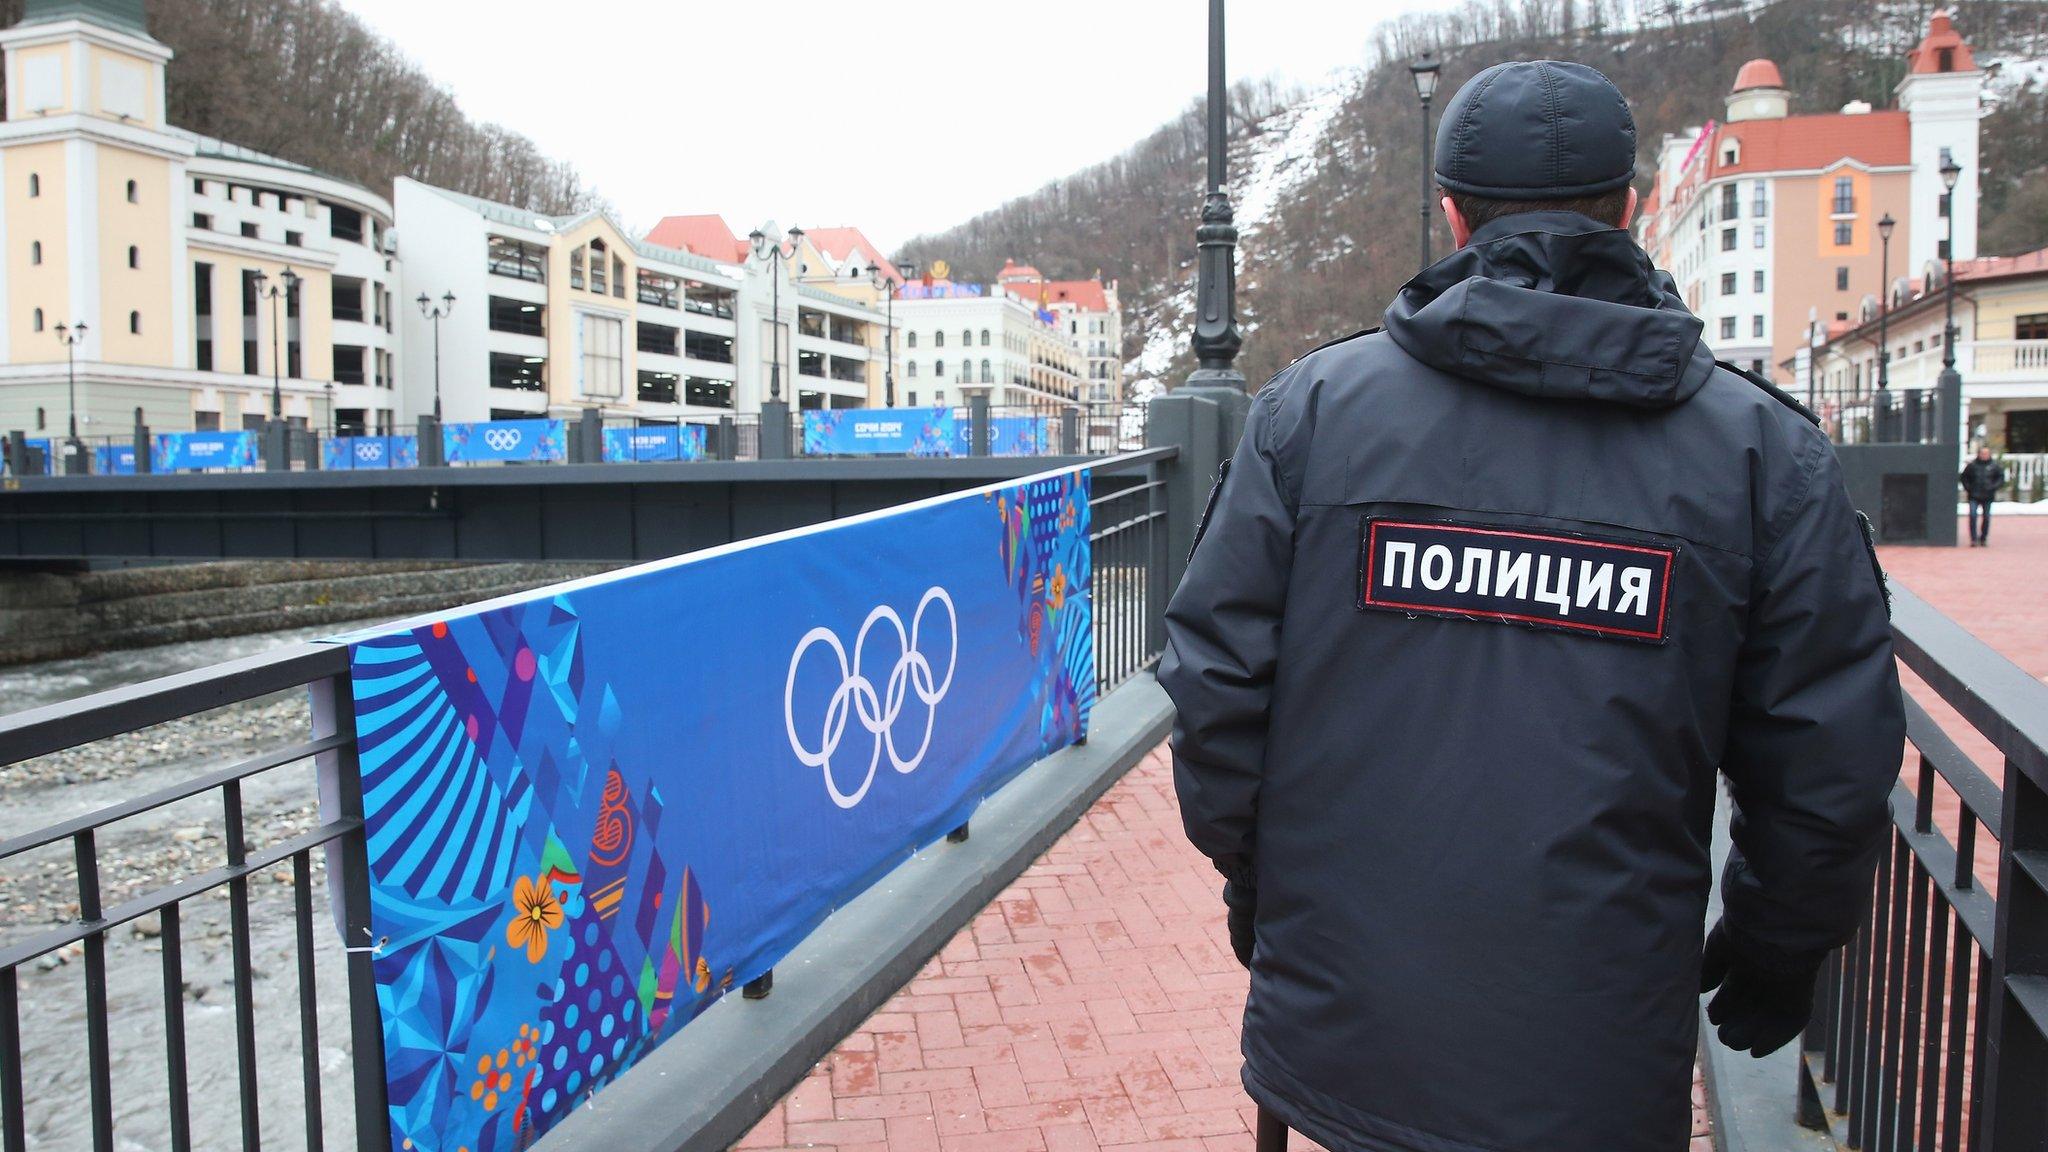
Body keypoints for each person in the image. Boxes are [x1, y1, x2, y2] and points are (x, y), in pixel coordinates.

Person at [1160, 60, 1905, 1152]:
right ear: (1634, 210)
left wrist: (1258, 884)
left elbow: (1216, 695)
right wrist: (1775, 942)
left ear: (1452, 215)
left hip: (1342, 1027)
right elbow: (1824, 766)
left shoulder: (1312, 416)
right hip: (1593, 1053)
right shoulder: (1758, 455)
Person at [1960, 446, 2005, 546]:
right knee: (1972, 515)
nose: (1984, 455)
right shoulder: (1972, 466)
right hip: (1974, 495)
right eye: (1982, 453)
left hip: (1988, 495)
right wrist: (1969, 488)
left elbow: (2000, 478)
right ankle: (1973, 539)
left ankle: (1983, 538)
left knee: (1986, 517)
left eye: (1986, 453)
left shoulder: (1994, 466)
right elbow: (1964, 478)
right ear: (1979, 454)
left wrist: (1993, 487)